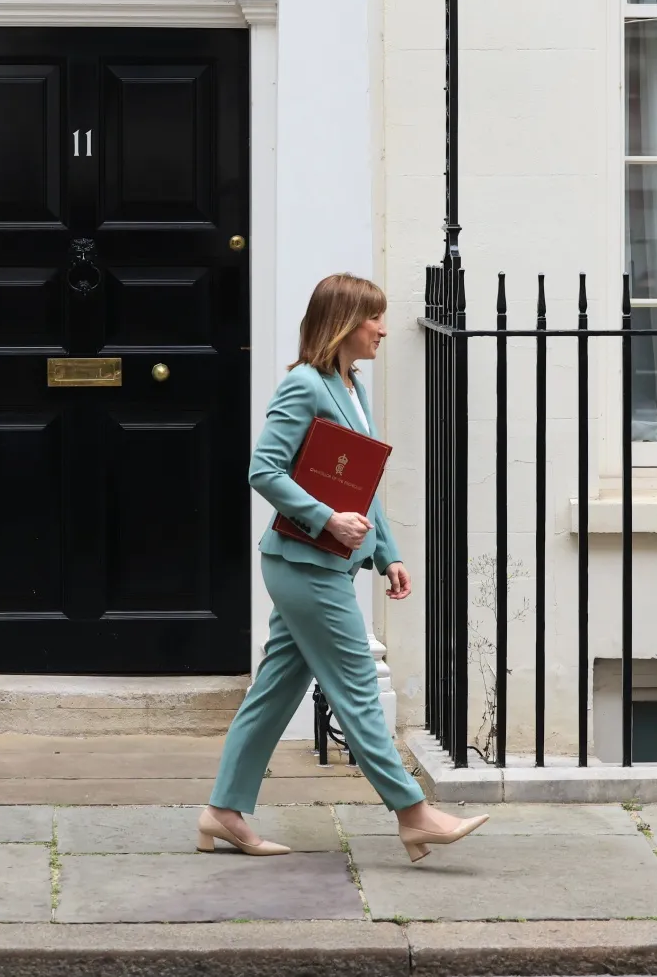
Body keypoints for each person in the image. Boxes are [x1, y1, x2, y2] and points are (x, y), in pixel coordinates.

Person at [198, 273, 488, 864]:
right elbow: (263, 470)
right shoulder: (304, 386)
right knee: (356, 687)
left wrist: (387, 552)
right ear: (343, 324)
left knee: (275, 692)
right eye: (373, 318)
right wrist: (327, 519)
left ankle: (222, 811)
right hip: (304, 563)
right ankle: (413, 814)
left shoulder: (350, 385)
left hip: (325, 564)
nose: (383, 328)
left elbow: (364, 477)